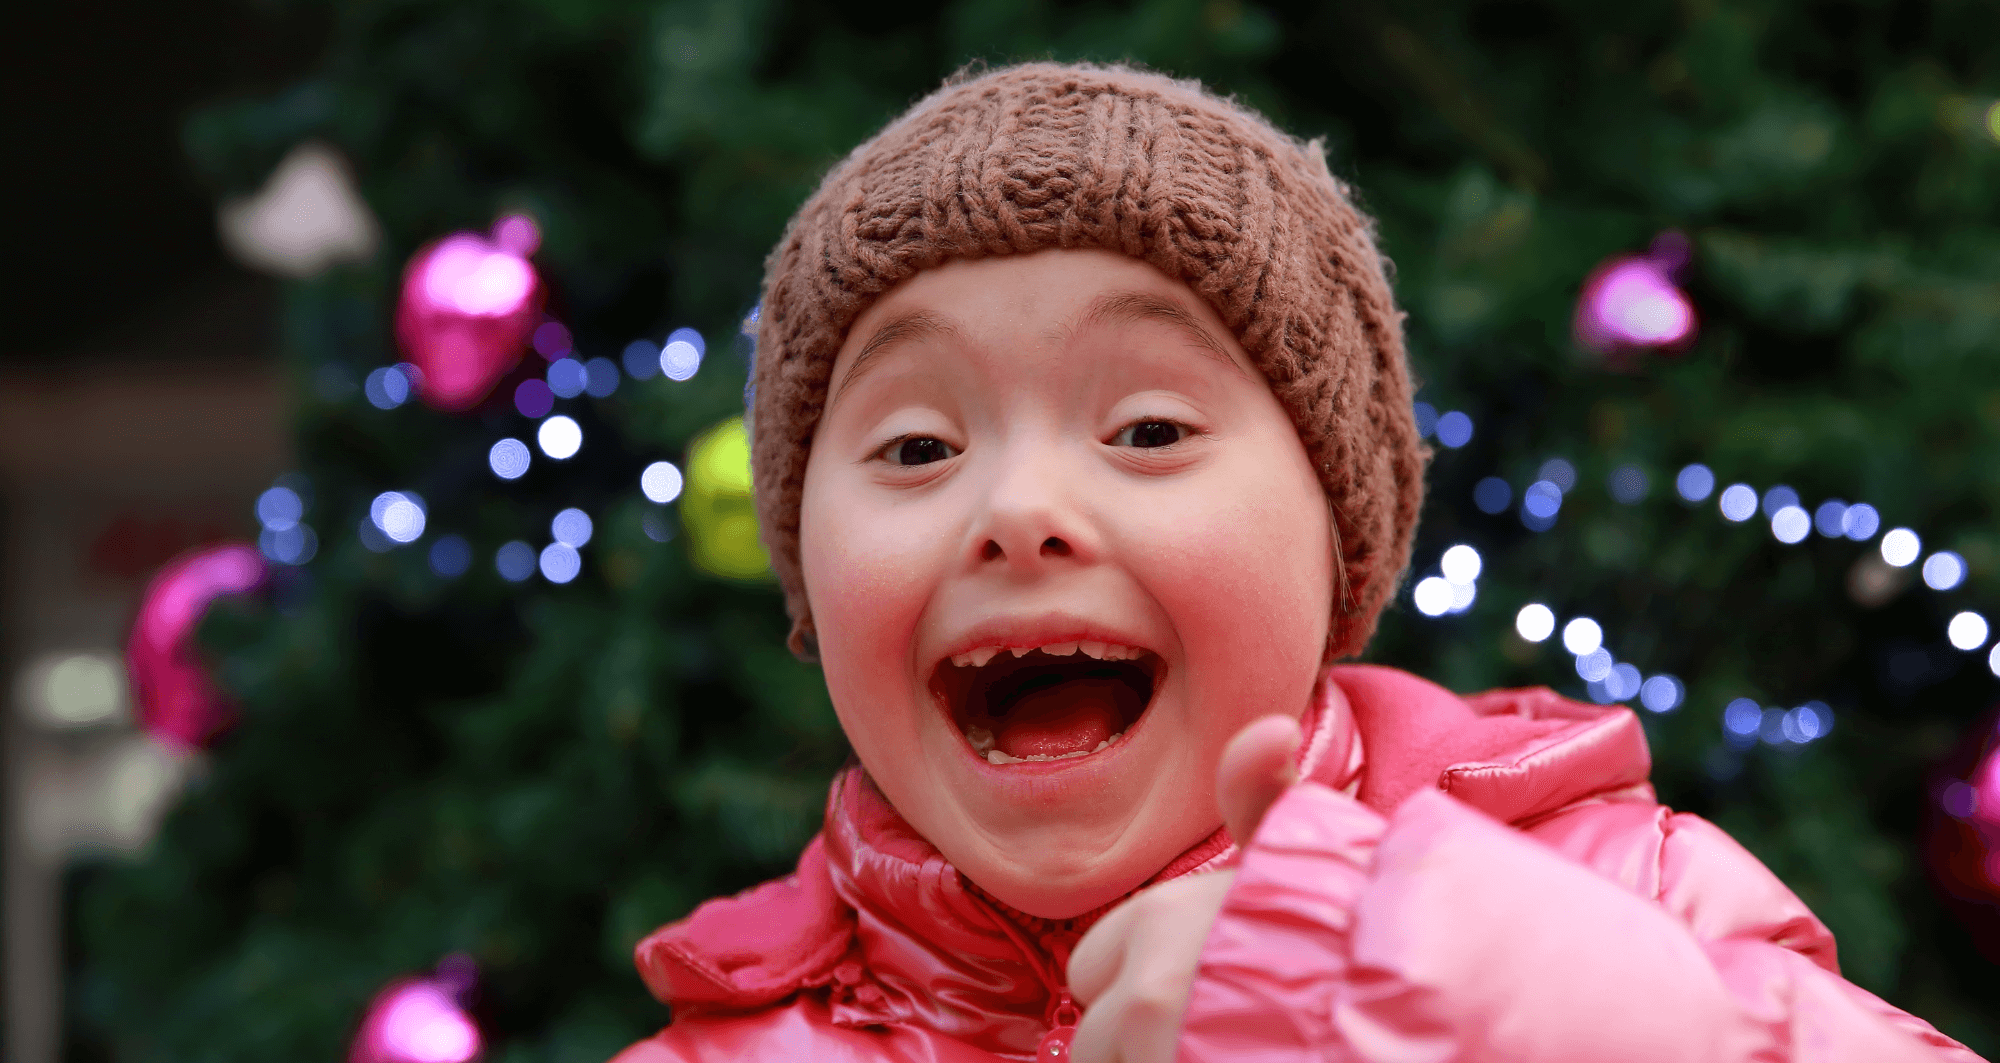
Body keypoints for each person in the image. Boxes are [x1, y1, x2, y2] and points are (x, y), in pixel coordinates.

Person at [612, 63, 1982, 1063]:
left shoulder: (1618, 908)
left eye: (1147, 426)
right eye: (914, 449)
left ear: (1338, 541)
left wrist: (1499, 1011)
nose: (1018, 511)